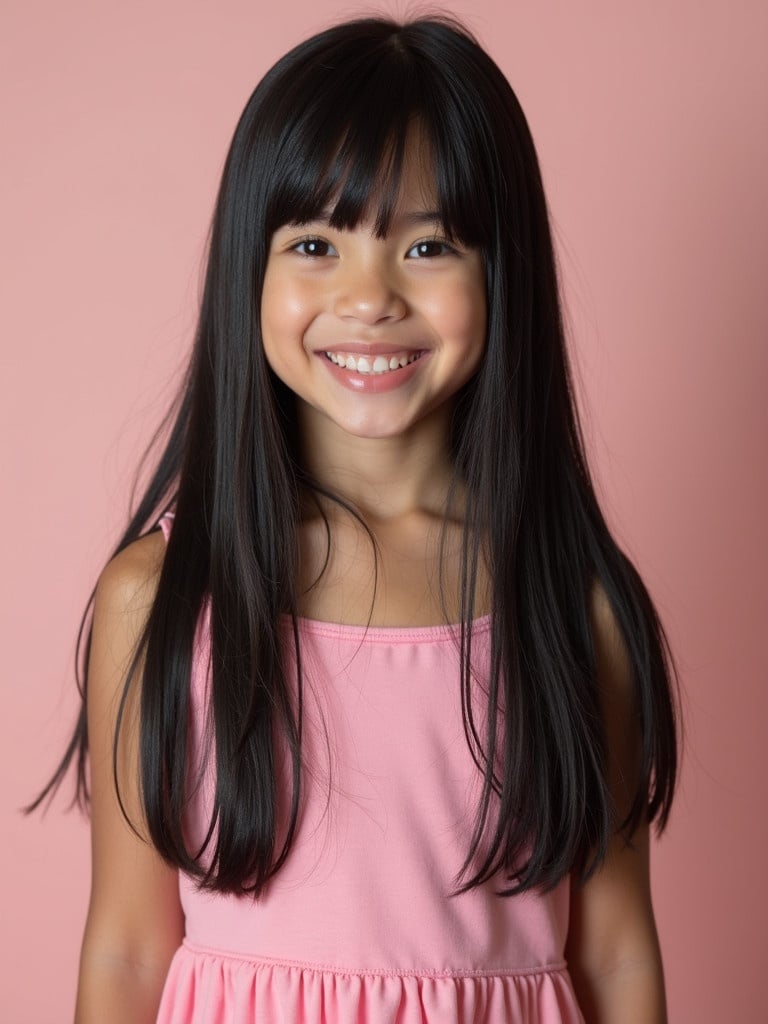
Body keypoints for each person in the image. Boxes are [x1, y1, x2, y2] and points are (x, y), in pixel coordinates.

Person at [31, 14, 681, 1024]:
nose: (368, 295)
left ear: (502, 271)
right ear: (249, 270)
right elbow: (122, 950)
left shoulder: (571, 603)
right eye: (315, 243)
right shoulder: (161, 597)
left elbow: (619, 952)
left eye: (427, 243)